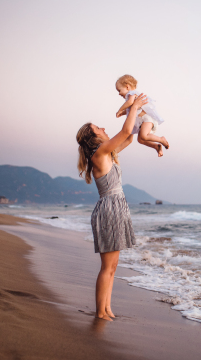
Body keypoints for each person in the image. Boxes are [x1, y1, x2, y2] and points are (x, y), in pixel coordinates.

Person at [75, 93, 148, 321]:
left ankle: (107, 309)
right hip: (109, 209)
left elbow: (128, 138)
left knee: (113, 265)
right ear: (92, 137)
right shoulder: (99, 154)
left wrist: (135, 114)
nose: (103, 127)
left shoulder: (107, 153)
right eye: (98, 127)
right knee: (107, 266)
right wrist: (134, 105)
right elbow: (124, 133)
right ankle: (100, 312)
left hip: (117, 207)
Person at [115, 74, 169, 157]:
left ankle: (161, 139)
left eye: (119, 90)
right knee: (140, 140)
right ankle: (156, 146)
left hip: (147, 119)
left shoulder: (131, 93)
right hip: (142, 121)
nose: (119, 93)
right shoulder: (131, 96)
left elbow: (129, 103)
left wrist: (120, 109)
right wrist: (123, 113)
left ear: (127, 87)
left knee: (144, 136)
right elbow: (130, 108)